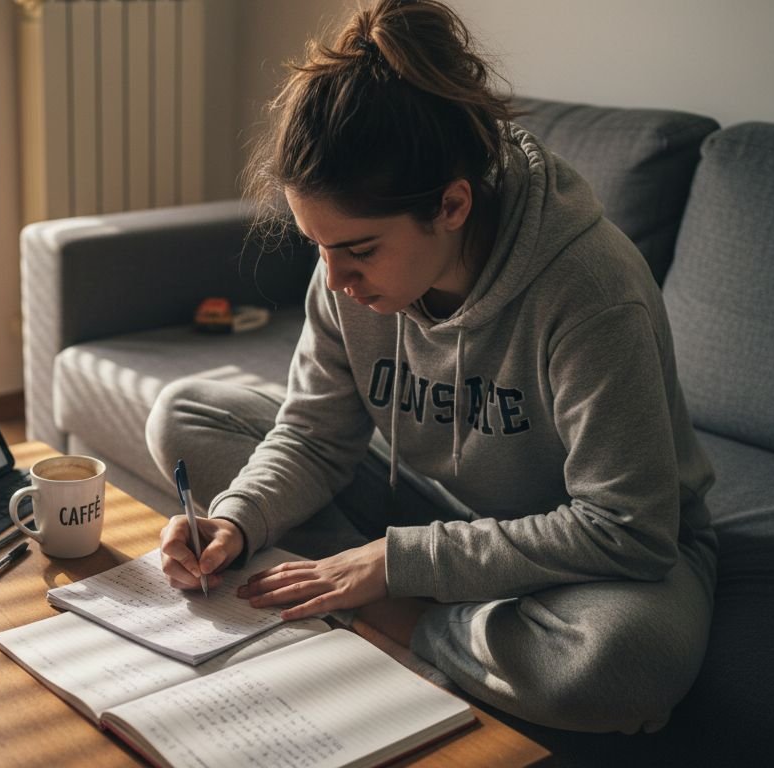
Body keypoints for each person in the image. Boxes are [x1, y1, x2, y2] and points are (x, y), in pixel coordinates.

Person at [146, 0, 717, 735]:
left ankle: (378, 613)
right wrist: (234, 520)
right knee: (186, 413)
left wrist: (393, 567)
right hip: (430, 506)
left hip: (589, 552)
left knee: (619, 663)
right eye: (316, 246)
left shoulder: (590, 290)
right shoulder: (342, 276)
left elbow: (627, 529)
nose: (335, 279)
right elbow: (315, 436)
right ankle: (373, 597)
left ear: (451, 205)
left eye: (357, 250)